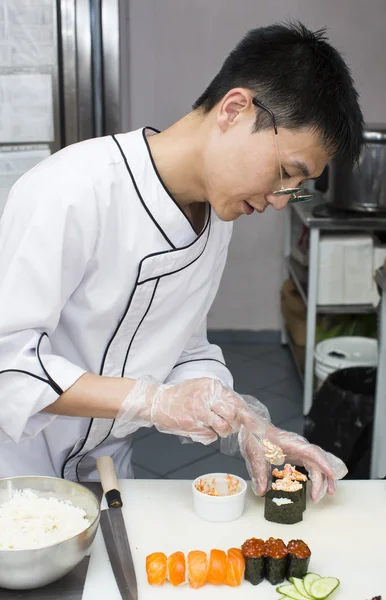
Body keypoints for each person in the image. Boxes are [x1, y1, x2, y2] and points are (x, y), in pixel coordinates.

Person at [0, 22, 363, 501]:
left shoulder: (217, 218)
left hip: (104, 470)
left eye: (294, 187)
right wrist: (151, 401)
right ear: (235, 110)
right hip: (18, 473)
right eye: (285, 173)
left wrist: (245, 422)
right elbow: (11, 364)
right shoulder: (72, 190)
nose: (280, 200)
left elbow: (184, 348)